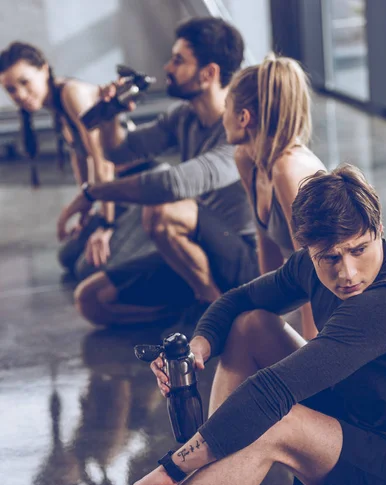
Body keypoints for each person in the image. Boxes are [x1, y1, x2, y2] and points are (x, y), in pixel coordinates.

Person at [29, 164, 386, 485]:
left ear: (378, 230)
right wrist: (199, 347)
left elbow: (273, 392)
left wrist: (174, 467)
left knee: (275, 420)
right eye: (330, 258)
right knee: (250, 325)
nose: (348, 272)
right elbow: (236, 300)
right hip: (361, 425)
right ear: (310, 251)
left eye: (359, 250)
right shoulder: (311, 267)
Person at [56, 17, 258, 326]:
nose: (167, 67)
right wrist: (111, 115)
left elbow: (172, 184)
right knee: (90, 299)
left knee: (162, 210)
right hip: (195, 251)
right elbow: (120, 151)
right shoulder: (184, 117)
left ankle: (217, 313)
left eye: (178, 60)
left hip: (242, 257)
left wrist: (92, 192)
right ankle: (190, 309)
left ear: (209, 73)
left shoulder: (241, 128)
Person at [222, 53, 325, 339]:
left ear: (244, 118)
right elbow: (266, 245)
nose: (222, 116)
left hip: (341, 298)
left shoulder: (287, 170)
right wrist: (264, 312)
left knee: (249, 331)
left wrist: (314, 354)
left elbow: (313, 269)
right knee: (248, 325)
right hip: (312, 292)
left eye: (226, 107)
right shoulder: (248, 159)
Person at [0, 41, 115, 278]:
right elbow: (81, 159)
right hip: (115, 193)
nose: (20, 94)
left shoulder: (72, 94)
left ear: (43, 69)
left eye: (24, 82)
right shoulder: (57, 105)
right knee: (68, 256)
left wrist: (106, 225)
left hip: (134, 189)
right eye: (11, 89)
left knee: (87, 267)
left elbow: (104, 163)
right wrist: (85, 212)